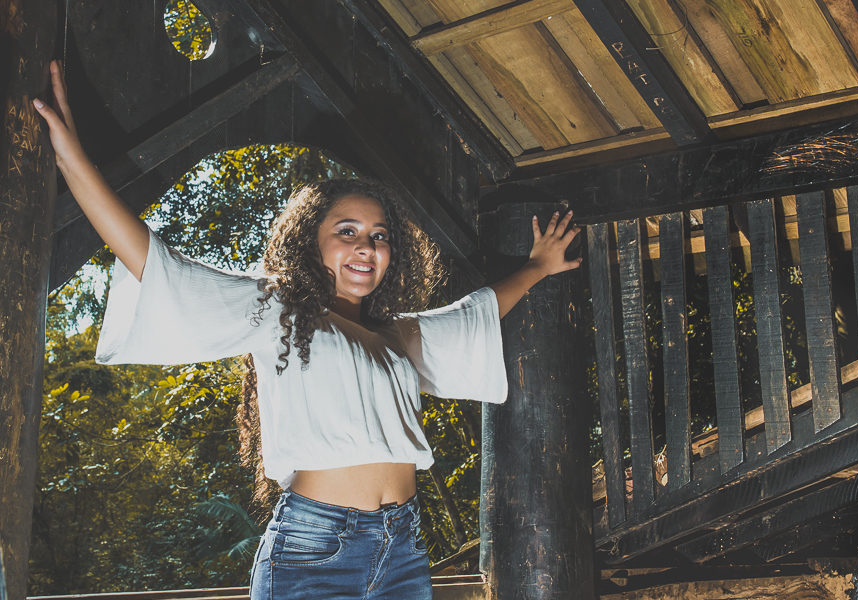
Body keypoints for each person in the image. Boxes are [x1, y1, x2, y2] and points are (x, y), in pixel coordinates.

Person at [34, 59, 582, 599]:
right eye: (348, 231)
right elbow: (156, 264)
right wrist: (73, 159)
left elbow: (477, 314)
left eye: (379, 234)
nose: (367, 246)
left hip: (405, 547)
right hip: (316, 550)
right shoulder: (281, 311)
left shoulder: (395, 337)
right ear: (310, 243)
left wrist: (536, 267)